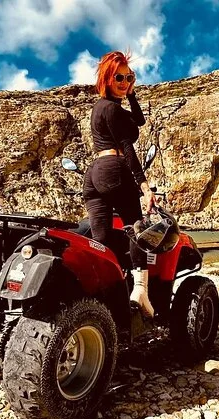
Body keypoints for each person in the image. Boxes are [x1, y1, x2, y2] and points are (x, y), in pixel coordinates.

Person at [83, 51, 156, 318]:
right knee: (137, 229)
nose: (124, 82)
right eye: (119, 78)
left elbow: (139, 120)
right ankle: (140, 291)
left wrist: (132, 94)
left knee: (100, 238)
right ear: (106, 78)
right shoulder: (112, 109)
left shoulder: (103, 107)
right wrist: (144, 187)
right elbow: (127, 149)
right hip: (114, 168)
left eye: (129, 77)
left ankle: (97, 295)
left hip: (94, 174)